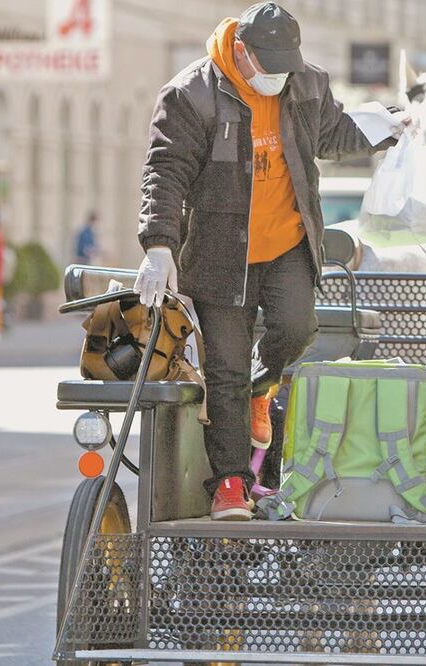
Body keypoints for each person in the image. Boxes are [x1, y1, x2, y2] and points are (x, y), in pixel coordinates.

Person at [134, 2, 407, 521]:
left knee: (296, 327)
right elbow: (164, 173)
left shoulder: (304, 83)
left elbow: (331, 136)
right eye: (271, 67)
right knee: (226, 372)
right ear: (242, 51)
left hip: (286, 243)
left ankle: (266, 384)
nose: (280, 78)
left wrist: (385, 129)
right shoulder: (191, 96)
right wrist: (159, 245)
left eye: (288, 66)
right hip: (219, 256)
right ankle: (232, 483)